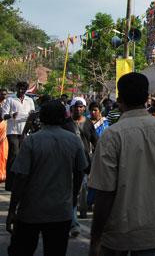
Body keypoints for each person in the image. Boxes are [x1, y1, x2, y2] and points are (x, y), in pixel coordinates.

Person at [88, 72, 155, 256]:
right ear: (147, 98)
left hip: (118, 231)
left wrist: (95, 238)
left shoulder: (112, 134)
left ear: (119, 99)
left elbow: (104, 192)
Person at [6, 100, 87, 256]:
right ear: (64, 117)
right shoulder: (73, 141)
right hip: (60, 211)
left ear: (41, 118)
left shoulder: (32, 141)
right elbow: (80, 172)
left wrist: (12, 209)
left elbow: (20, 177)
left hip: (31, 211)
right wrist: (73, 198)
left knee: (20, 250)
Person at [69, 96, 98, 230]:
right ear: (72, 108)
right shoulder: (66, 123)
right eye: (77, 107)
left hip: (85, 161)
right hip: (68, 162)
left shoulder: (88, 124)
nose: (79, 109)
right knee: (72, 190)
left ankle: (81, 211)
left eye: (81, 107)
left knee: (83, 188)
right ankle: (73, 220)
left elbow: (95, 142)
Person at [1, 81, 35, 190]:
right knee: (14, 154)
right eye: (19, 89)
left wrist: (32, 116)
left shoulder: (29, 100)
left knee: (23, 156)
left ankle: (19, 183)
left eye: (23, 90)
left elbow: (33, 114)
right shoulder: (10, 99)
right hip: (12, 131)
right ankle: (9, 184)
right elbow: (3, 115)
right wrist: (11, 115)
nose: (21, 91)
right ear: (17, 88)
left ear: (26, 90)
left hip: (25, 131)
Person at [0, 88, 9, 182]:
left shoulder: (5, 104)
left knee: (4, 154)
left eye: (5, 94)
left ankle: (2, 174)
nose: (4, 96)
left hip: (4, 131)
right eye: (2, 94)